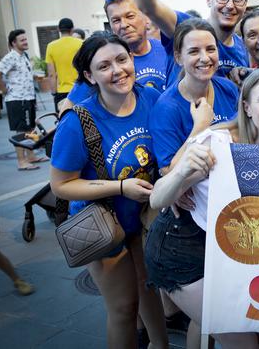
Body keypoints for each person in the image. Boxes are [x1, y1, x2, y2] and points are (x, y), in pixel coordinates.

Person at [145, 68, 259, 349]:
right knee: (242, 341)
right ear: (247, 107)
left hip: (235, 252)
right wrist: (182, 174)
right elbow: (156, 199)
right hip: (184, 250)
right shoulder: (218, 143)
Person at [50, 32, 168, 349]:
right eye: (104, 66)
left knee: (149, 290)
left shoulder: (152, 99)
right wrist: (120, 186)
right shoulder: (78, 121)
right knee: (123, 309)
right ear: (89, 75)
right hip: (101, 226)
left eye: (121, 59)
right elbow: (61, 185)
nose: (117, 70)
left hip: (142, 220)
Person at [149, 18, 239, 173]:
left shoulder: (228, 88)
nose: (205, 58)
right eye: (194, 51)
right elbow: (168, 172)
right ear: (178, 58)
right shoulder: (166, 108)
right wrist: (200, 128)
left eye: (211, 49)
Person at [0, 30, 47, 170]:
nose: (26, 42)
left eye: (26, 39)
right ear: (14, 43)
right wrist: (3, 90)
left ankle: (31, 156)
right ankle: (21, 161)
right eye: (22, 40)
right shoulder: (11, 57)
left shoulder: (23, 55)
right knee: (21, 131)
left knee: (30, 128)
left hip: (28, 98)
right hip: (17, 99)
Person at [105, 0, 167, 91]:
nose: (124, 25)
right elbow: (71, 103)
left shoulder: (168, 51)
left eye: (130, 16)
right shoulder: (104, 61)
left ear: (147, 17)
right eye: (116, 20)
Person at [45, 17, 83, 110]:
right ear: (72, 29)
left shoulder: (51, 46)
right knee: (83, 120)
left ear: (59, 29)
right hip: (80, 89)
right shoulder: (81, 43)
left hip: (62, 92)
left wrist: (54, 92)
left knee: (63, 120)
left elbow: (51, 74)